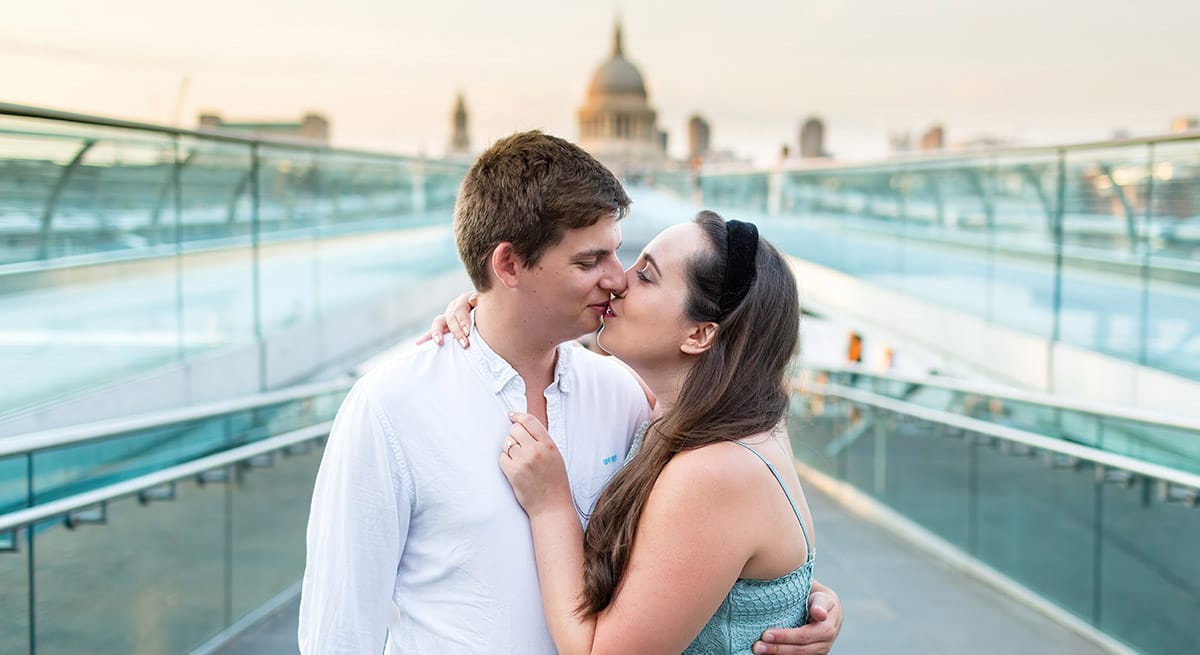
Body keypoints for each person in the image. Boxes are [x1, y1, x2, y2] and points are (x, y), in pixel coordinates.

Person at [298, 131, 841, 654]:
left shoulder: (629, 397)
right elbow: (338, 635)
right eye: (590, 261)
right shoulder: (391, 406)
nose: (617, 279)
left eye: (621, 256)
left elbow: (721, 531)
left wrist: (788, 601)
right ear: (508, 265)